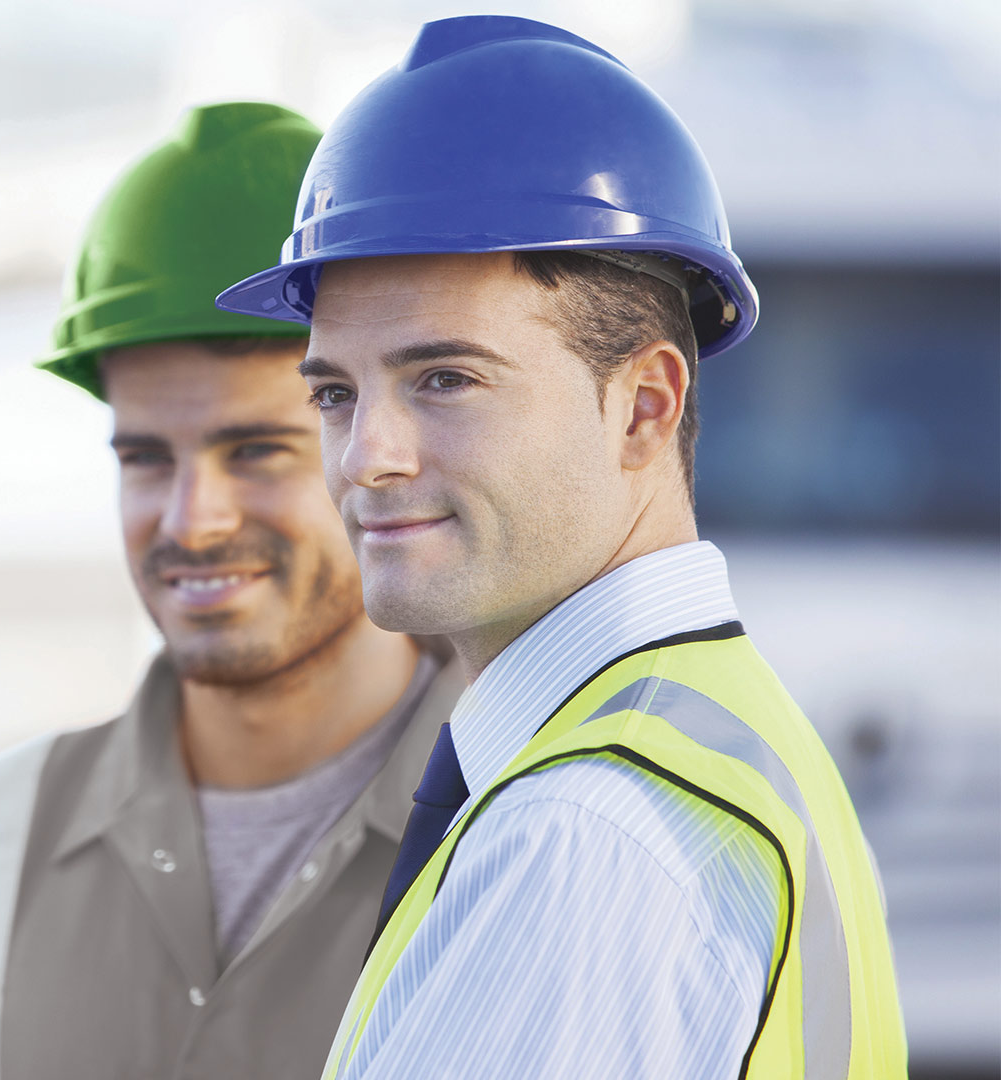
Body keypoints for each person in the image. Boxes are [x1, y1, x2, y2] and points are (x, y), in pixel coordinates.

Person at [214, 16, 905, 1079]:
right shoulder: (704, 740)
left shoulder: (589, 833)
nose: (367, 458)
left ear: (643, 404)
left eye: (445, 378)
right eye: (338, 393)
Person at [0, 103, 463, 1080]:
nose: (191, 520)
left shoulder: (530, 832)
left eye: (255, 450)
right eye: (144, 458)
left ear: (377, 448)